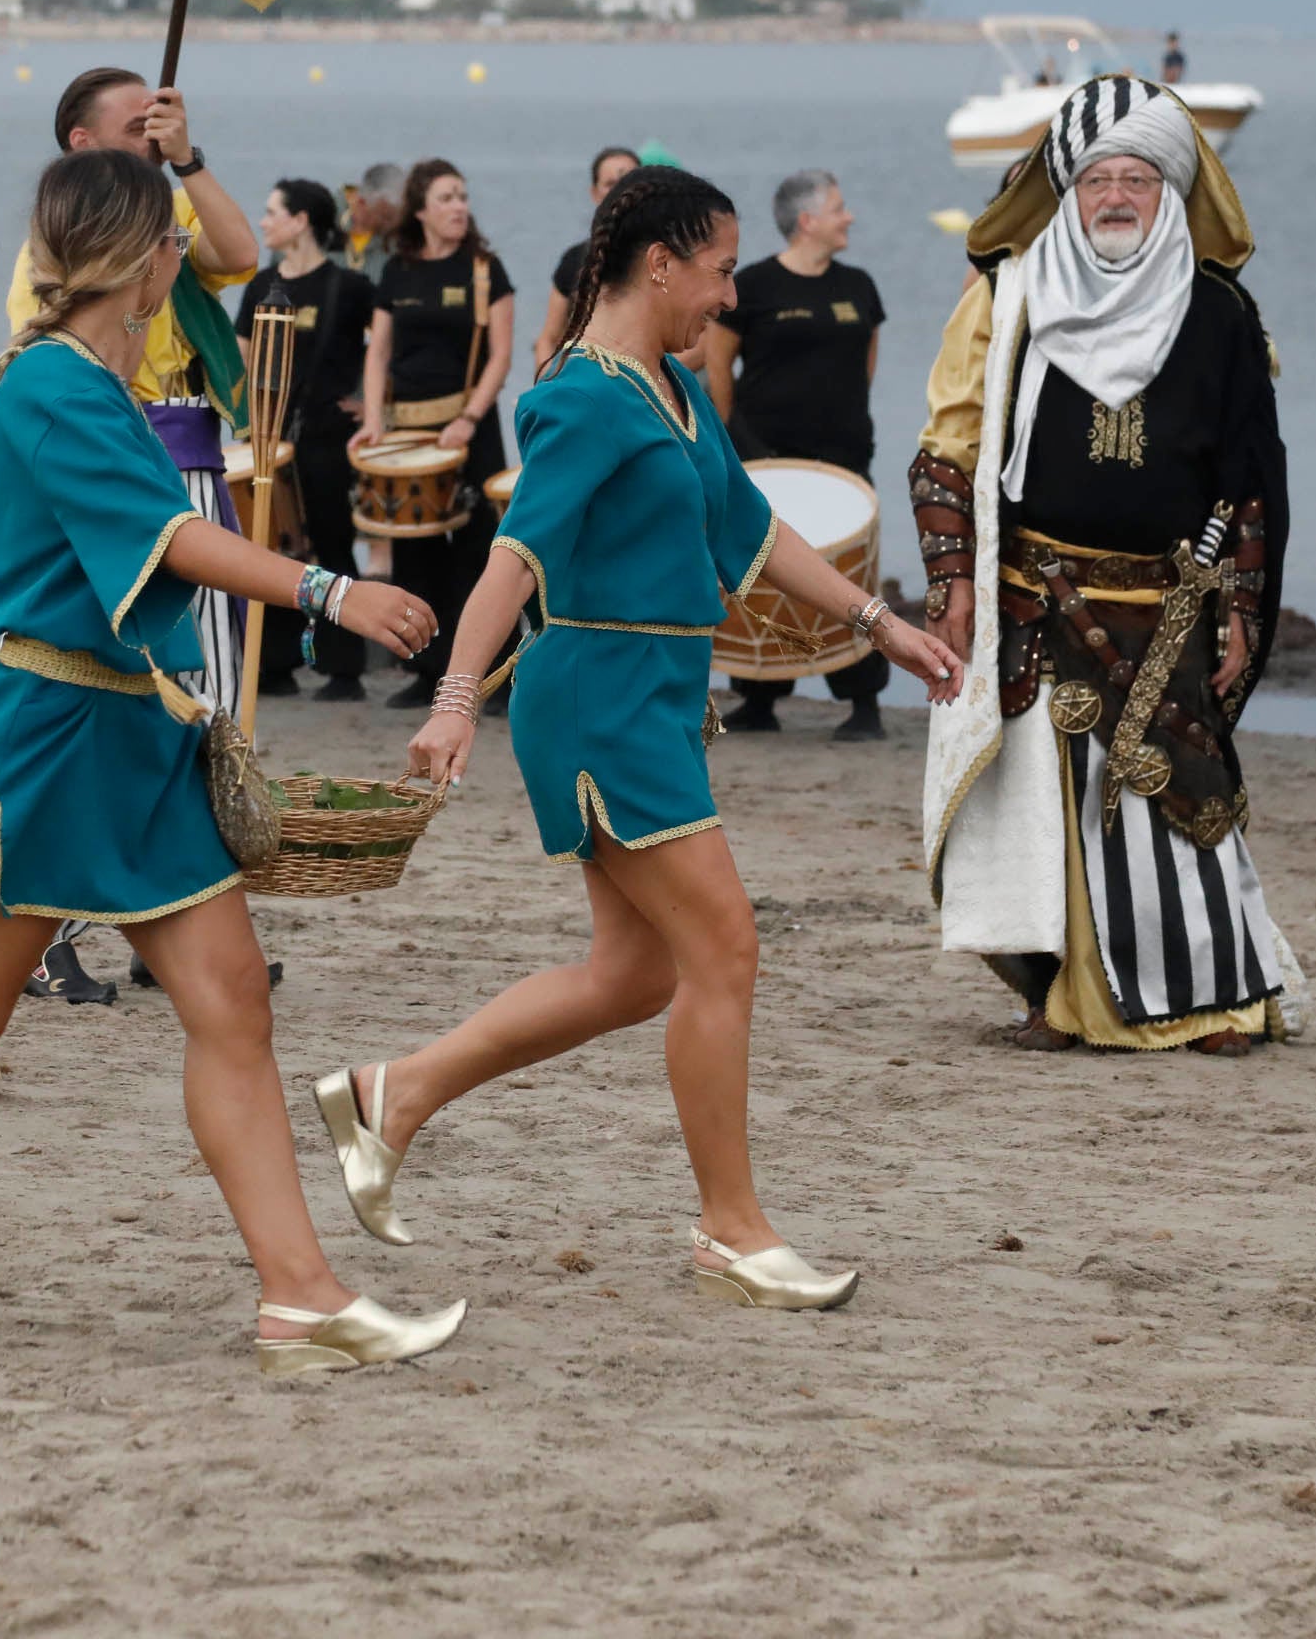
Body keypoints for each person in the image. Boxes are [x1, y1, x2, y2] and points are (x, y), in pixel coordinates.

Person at [0, 148, 463, 1376]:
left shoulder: (94, 381)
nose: (186, 255)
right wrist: (332, 589)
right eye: (172, 238)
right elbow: (167, 536)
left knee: (232, 999)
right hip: (45, 740)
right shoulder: (55, 385)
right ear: (137, 258)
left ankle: (302, 1294)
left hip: (129, 735)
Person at [313, 166, 960, 1312]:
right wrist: (458, 694)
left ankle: (391, 1091)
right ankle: (733, 1228)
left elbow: (750, 533)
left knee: (635, 972)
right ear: (659, 263)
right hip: (599, 701)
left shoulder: (671, 387)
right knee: (726, 947)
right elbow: (516, 555)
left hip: (657, 698)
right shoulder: (583, 397)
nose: (727, 294)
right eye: (716, 269)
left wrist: (879, 622)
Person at [910, 77, 1302, 1053]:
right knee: (1045, 814)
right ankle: (1057, 996)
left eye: (1138, 176)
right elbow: (946, 448)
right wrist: (954, 586)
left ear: (1171, 189)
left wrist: (1244, 607)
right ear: (1066, 191)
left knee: (1180, 802)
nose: (1117, 195)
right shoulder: (1010, 292)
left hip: (1172, 602)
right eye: (1097, 179)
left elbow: (1250, 475)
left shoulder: (1221, 314)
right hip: (1038, 602)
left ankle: (1213, 999)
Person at [5, 66, 259, 1002]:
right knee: (122, 698)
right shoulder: (58, 257)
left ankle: (175, 920)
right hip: (130, 461)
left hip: (192, 454)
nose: (153, 131)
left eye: (161, 119)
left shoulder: (170, 229)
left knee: (210, 699)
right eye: (136, 123)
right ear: (81, 142)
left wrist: (187, 160)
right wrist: (322, 588)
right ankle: (50, 927)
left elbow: (241, 251)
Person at [710, 167, 890, 740]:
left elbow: (865, 368)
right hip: (768, 456)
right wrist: (742, 448)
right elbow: (719, 376)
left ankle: (865, 703)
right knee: (765, 573)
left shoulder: (859, 285)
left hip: (843, 460)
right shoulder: (755, 286)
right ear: (807, 221)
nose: (849, 217)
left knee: (850, 575)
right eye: (839, 207)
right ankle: (760, 699)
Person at [356, 159, 514, 709]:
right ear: (420, 209)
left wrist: (469, 417)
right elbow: (377, 353)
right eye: (446, 197)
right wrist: (374, 419)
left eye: (463, 196)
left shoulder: (483, 269)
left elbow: (500, 356)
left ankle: (491, 674)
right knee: (414, 554)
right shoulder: (397, 271)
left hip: (469, 428)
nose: (458, 206)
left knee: (480, 550)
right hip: (409, 428)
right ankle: (427, 672)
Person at [240, 177, 374, 701]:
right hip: (273, 436)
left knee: (333, 541)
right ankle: (274, 663)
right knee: (271, 544)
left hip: (328, 437)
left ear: (301, 221)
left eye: (273, 212)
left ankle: (345, 668)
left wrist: (373, 406)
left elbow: (386, 346)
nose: (264, 221)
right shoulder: (259, 286)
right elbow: (243, 358)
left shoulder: (350, 287)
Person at [534, 146, 642, 375]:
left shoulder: (671, 257)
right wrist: (550, 386)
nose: (622, 191)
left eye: (630, 181)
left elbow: (702, 343)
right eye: (611, 184)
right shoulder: (574, 260)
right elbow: (548, 339)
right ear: (595, 193)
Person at [344, 162, 406, 272]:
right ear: (362, 202)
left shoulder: (401, 243)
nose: (396, 224)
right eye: (387, 217)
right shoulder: (329, 226)